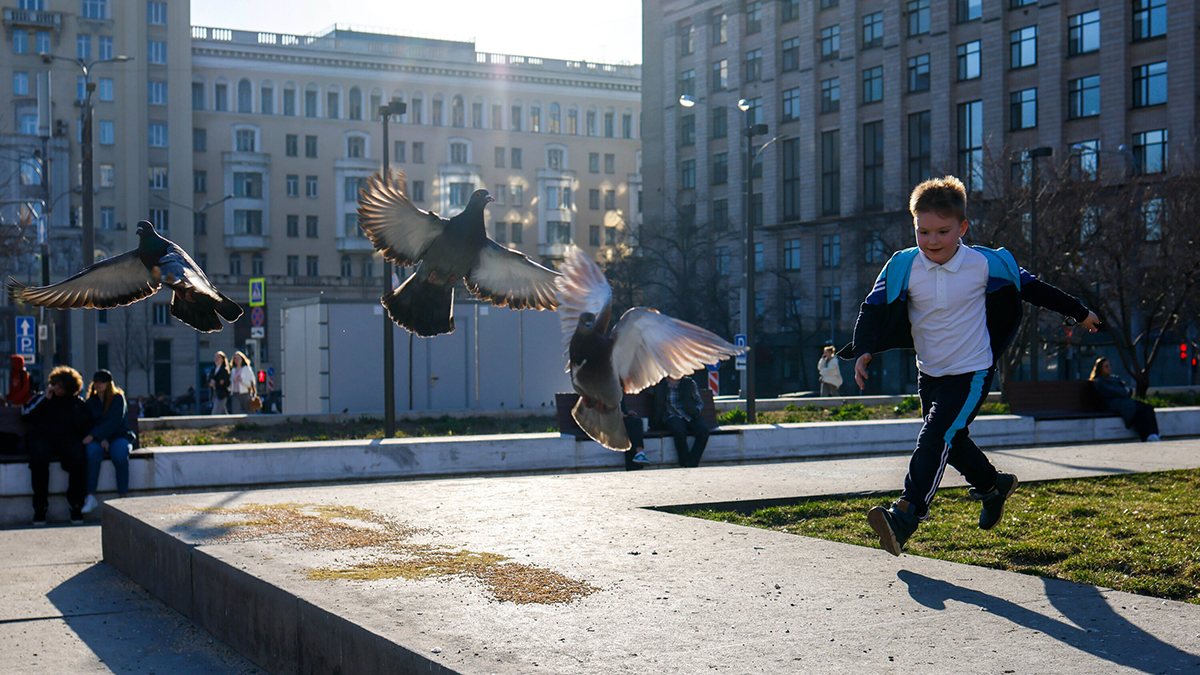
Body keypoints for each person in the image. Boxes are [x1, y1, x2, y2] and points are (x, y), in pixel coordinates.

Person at [840, 175, 1100, 556]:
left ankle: (906, 515)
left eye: (942, 232)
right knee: (952, 439)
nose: (931, 241)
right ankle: (993, 486)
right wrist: (863, 348)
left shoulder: (986, 264)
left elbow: (1037, 290)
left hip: (972, 370)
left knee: (936, 436)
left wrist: (1081, 313)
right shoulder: (901, 266)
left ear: (961, 228)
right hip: (929, 372)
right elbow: (873, 307)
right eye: (923, 231)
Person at [21, 366, 93, 525]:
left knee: (77, 459)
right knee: (38, 460)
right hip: (44, 437)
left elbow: (85, 424)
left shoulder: (76, 403)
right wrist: (45, 399)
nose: (57, 389)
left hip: (67, 439)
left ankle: (75, 505)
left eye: (61, 386)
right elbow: (26, 413)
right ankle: (40, 507)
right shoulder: (43, 398)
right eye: (56, 385)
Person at [80, 370, 137, 514]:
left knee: (120, 455)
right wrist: (100, 438)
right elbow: (88, 422)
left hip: (119, 436)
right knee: (92, 453)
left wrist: (95, 436)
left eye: (102, 382)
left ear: (108, 383)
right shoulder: (91, 402)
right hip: (100, 439)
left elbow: (114, 422)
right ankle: (90, 496)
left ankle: (122, 496)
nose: (99, 385)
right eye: (97, 382)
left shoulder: (117, 398)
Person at [1089, 358, 1160, 442]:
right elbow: (1113, 392)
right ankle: (1146, 436)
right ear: (1100, 368)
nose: (1109, 368)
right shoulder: (1099, 381)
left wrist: (1124, 391)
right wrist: (1124, 391)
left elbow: (1126, 391)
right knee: (1137, 411)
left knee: (1148, 408)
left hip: (1124, 402)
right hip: (1113, 404)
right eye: (1106, 366)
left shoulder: (1114, 379)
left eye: (1109, 365)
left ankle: (1153, 434)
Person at [652, 376, 709, 468]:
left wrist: (696, 411)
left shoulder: (689, 383)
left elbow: (699, 402)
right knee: (679, 431)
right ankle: (684, 461)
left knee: (703, 432)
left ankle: (691, 462)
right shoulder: (660, 384)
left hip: (690, 414)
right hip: (671, 415)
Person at [622, 401, 651, 471]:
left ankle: (638, 455)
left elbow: (622, 409)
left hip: (619, 420)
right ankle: (639, 453)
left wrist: (627, 413)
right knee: (631, 425)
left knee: (636, 422)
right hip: (607, 420)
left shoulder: (619, 391)